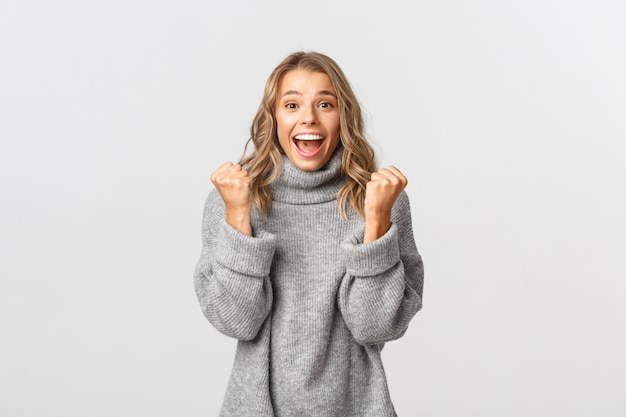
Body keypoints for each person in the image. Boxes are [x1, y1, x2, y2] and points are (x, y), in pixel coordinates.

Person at [193, 50, 424, 417]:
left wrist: (376, 222)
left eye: (325, 104)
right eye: (291, 105)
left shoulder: (383, 201)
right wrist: (239, 217)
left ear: (343, 116)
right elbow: (237, 321)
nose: (309, 118)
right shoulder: (233, 200)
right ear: (273, 118)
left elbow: (376, 327)